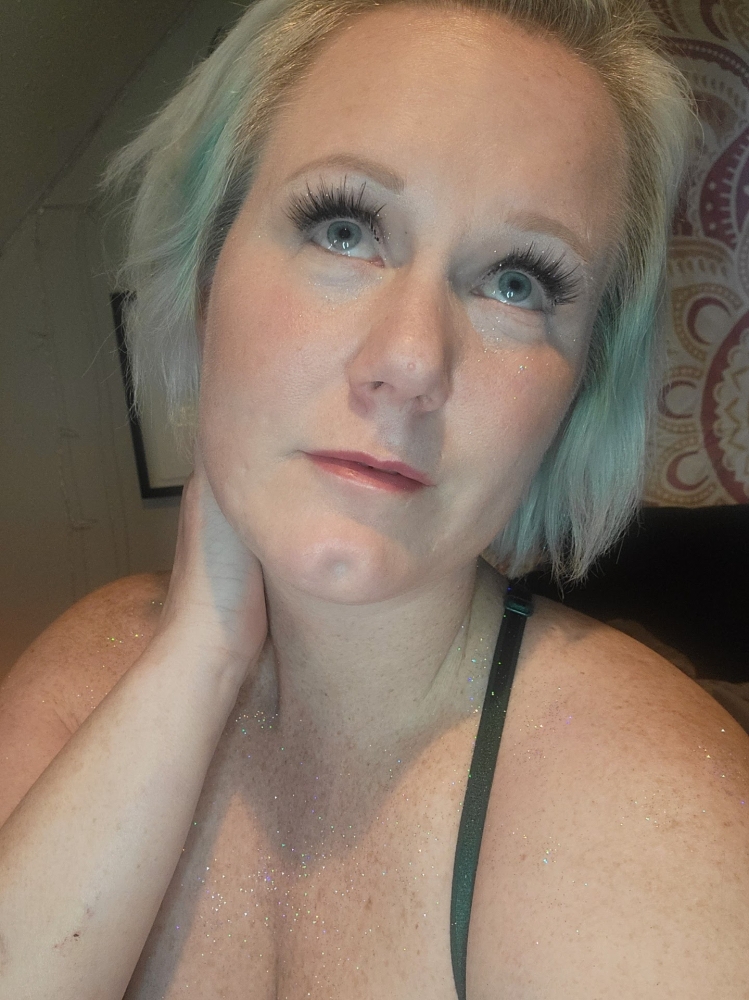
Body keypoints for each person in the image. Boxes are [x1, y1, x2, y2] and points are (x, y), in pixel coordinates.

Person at [1, 0, 747, 996]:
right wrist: (200, 652)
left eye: (516, 284)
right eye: (344, 229)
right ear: (205, 273)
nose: (410, 360)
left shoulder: (649, 826)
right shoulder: (79, 677)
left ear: (578, 393)